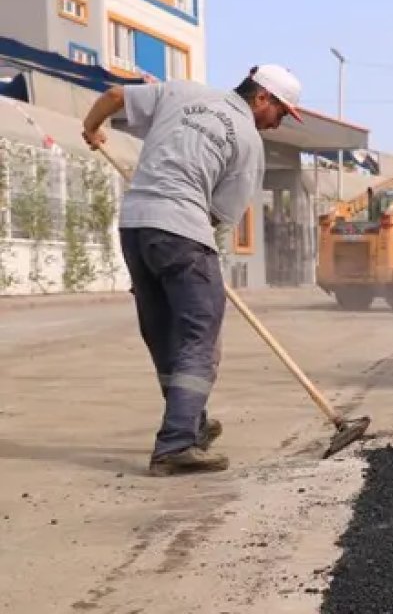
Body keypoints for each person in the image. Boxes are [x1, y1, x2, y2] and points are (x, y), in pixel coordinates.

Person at [80, 64, 303, 475]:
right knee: (200, 335)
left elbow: (113, 98)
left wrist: (91, 129)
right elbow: (219, 217)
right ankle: (176, 444)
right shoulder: (249, 143)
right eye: (282, 112)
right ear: (262, 99)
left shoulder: (181, 92)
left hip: (135, 228)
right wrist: (193, 252)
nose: (280, 122)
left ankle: (192, 420)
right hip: (182, 229)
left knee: (163, 333)